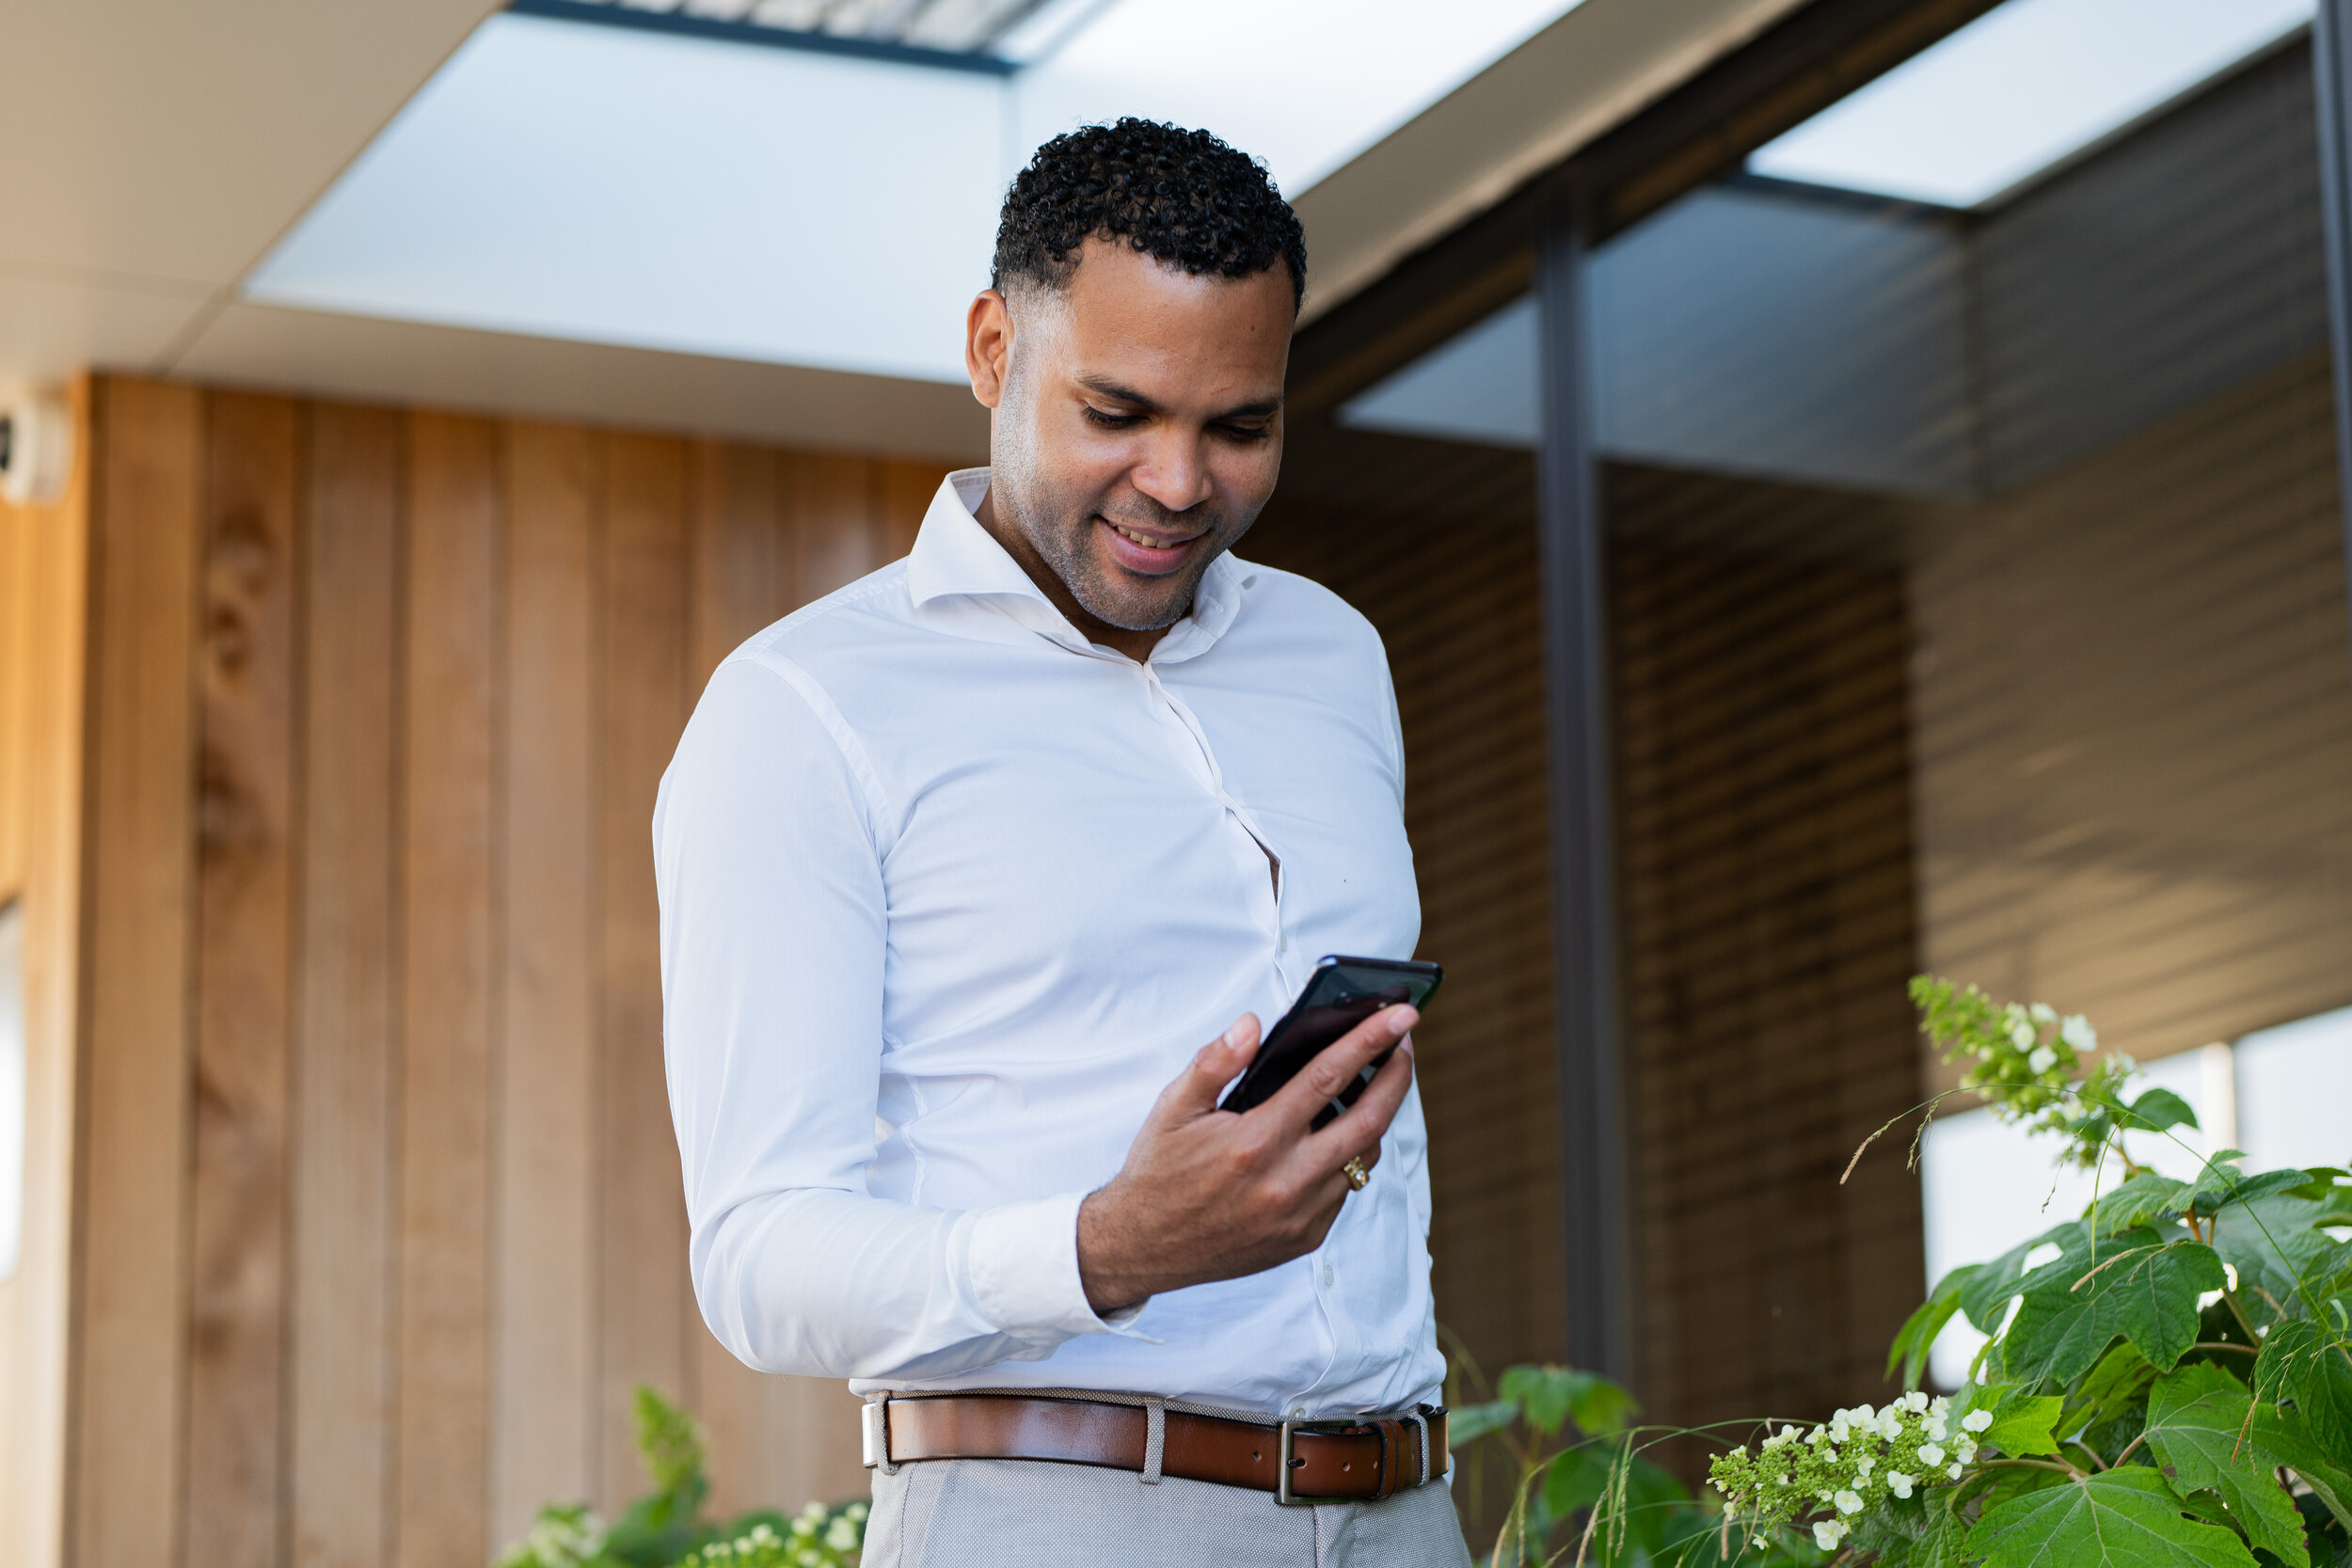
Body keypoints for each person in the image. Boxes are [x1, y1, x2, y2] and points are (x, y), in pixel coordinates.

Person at [655, 118, 1470, 1567]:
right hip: (1055, 1516)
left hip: (1408, 1513)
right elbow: (760, 1259)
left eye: (1240, 427)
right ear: (991, 350)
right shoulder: (801, 713)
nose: (1177, 483)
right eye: (1117, 411)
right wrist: (1106, 1248)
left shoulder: (1334, 656)